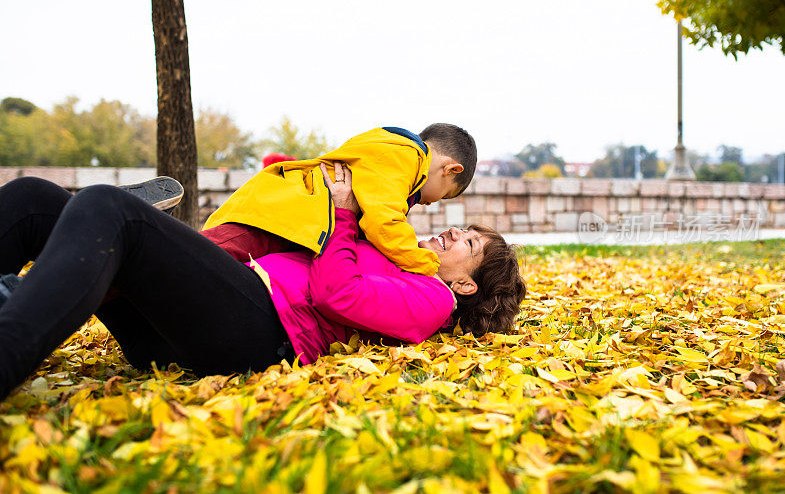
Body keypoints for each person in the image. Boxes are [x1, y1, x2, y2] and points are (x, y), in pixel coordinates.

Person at [0, 166, 525, 399]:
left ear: (467, 288)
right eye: (463, 228)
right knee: (33, 199)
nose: (454, 231)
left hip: (257, 328)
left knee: (109, 209)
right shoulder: (402, 256)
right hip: (203, 312)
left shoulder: (432, 299)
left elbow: (336, 293)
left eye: (469, 244)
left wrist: (342, 216)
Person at [202, 124, 478, 276]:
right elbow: (385, 222)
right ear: (451, 169)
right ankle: (159, 234)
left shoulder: (398, 154)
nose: (431, 203)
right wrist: (427, 265)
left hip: (291, 221)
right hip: (277, 214)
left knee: (220, 271)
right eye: (444, 195)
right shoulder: (405, 157)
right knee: (207, 254)